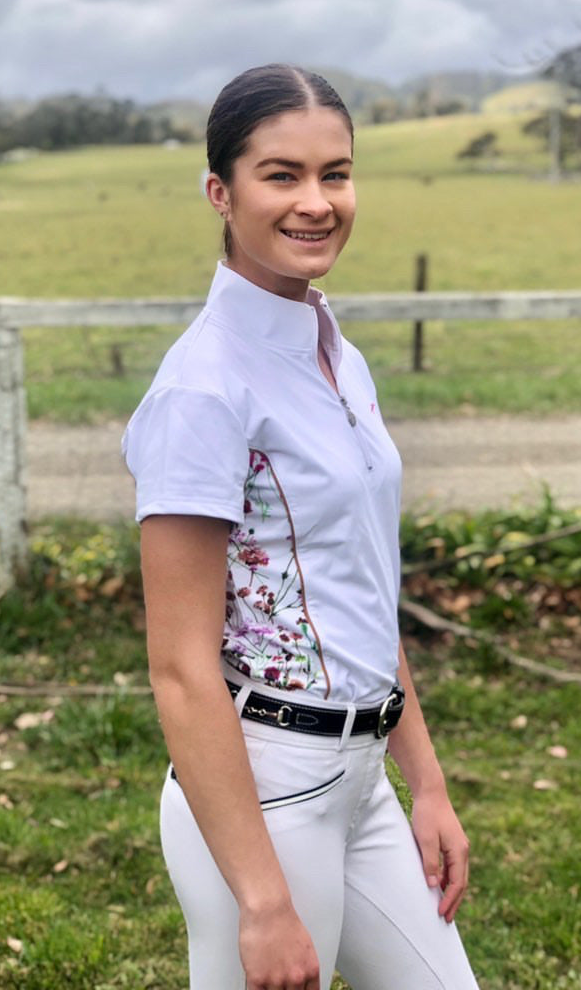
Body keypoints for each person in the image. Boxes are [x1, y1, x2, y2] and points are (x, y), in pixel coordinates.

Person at [122, 64, 480, 990]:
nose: (317, 202)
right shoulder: (204, 389)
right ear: (220, 192)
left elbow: (361, 587)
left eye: (336, 173)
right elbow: (179, 667)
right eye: (281, 175)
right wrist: (263, 899)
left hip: (362, 781)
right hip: (266, 794)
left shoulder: (337, 352)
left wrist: (426, 783)